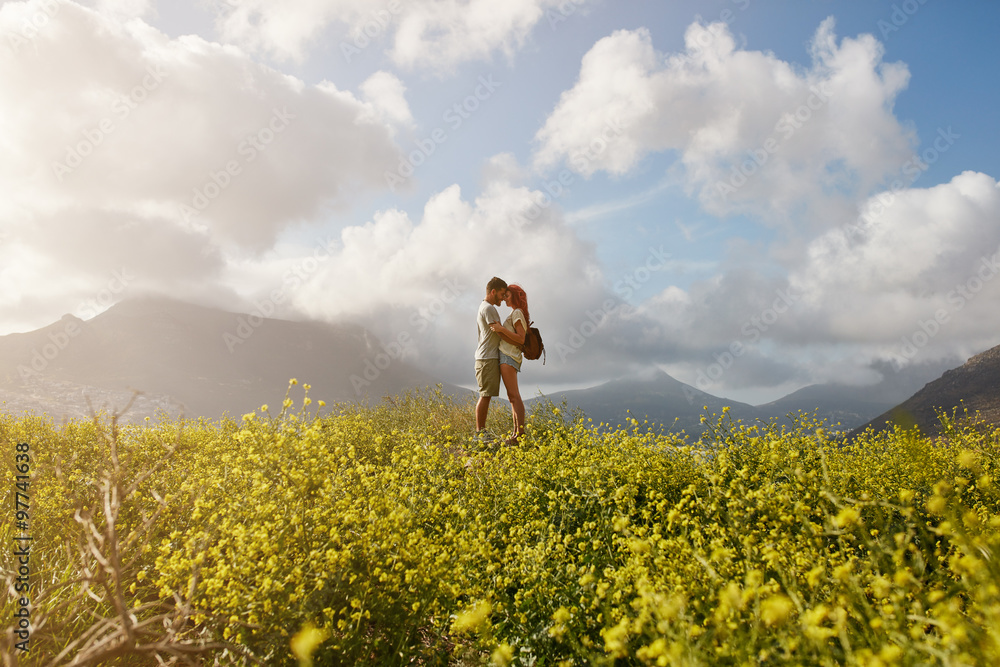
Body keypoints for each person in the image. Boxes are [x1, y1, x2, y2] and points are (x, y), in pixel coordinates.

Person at [489, 283, 529, 445]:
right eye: (504, 295)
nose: (504, 298)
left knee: (514, 396)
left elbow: (520, 339)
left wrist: (500, 329)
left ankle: (520, 434)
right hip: (508, 356)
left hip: (509, 356)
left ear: (514, 296)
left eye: (507, 295)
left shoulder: (517, 313)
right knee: (512, 396)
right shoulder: (515, 313)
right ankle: (516, 433)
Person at [475, 277, 508, 437]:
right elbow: (498, 330)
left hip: (487, 357)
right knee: (485, 395)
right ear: (493, 291)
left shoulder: (485, 307)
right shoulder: (488, 308)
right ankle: (480, 432)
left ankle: (481, 432)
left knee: (486, 395)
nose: (503, 297)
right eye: (502, 294)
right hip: (487, 358)